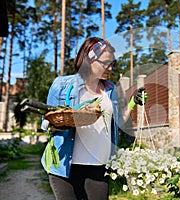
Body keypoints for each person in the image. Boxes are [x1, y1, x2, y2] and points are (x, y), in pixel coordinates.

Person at [41, 37, 147, 200]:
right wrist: (59, 124)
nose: (110, 67)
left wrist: (133, 102)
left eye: (112, 63)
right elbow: (47, 122)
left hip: (99, 167)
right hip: (66, 168)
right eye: (105, 63)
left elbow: (117, 121)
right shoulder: (62, 85)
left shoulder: (111, 89)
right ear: (89, 60)